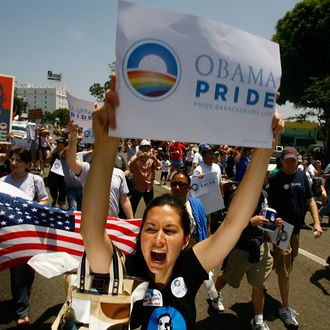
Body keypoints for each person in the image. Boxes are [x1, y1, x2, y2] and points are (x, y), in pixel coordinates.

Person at [80, 81, 284, 329]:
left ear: (186, 240)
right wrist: (106, 143)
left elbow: (234, 223)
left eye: (170, 230)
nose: (158, 239)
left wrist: (264, 147)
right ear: (140, 234)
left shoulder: (190, 266)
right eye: (151, 228)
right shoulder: (126, 268)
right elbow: (92, 232)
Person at [266, 146, 323, 328]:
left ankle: (264, 271)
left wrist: (317, 222)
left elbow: (311, 199)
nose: (292, 162)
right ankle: (284, 307)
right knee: (285, 270)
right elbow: (267, 205)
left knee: (287, 263)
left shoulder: (301, 176)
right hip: (282, 230)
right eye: (288, 160)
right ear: (281, 161)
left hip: (296, 230)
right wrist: (271, 227)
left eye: (294, 159)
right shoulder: (275, 179)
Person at [213, 190, 279, 330]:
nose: (266, 175)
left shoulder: (265, 194)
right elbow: (227, 221)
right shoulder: (238, 193)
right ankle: (214, 294)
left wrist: (273, 225)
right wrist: (250, 222)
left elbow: (265, 219)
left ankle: (258, 320)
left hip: (260, 245)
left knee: (259, 285)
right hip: (241, 246)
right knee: (226, 277)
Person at [0, 148, 49, 325]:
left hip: (31, 233)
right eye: (12, 160)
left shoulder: (36, 180)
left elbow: (44, 199)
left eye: (18, 160)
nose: (14, 163)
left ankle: (26, 289)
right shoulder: (3, 182)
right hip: (12, 235)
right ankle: (22, 312)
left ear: (28, 164)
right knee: (17, 271)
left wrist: (33, 207)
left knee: (29, 267)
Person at [170, 171, 221, 311]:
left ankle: (186, 310)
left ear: (189, 188)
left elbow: (205, 225)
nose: (177, 187)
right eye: (174, 184)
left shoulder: (196, 204)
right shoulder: (164, 206)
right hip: (172, 254)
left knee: (191, 285)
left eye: (181, 184)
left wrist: (208, 245)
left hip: (193, 252)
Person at [66, 121, 133, 218]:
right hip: (90, 223)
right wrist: (73, 138)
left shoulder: (119, 173)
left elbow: (124, 200)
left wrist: (131, 221)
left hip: (112, 223)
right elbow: (71, 162)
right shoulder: (87, 169)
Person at [128, 139, 161, 215]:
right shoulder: (136, 156)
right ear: (140, 148)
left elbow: (159, 167)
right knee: (133, 206)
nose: (146, 148)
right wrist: (138, 158)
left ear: (150, 148)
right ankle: (131, 221)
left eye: (147, 147)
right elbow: (130, 165)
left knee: (150, 207)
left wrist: (155, 159)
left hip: (149, 187)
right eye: (144, 147)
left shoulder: (152, 158)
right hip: (137, 187)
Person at [45, 137, 67, 208]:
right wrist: (52, 153)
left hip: (63, 176)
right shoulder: (53, 152)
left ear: (64, 144)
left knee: (62, 191)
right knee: (52, 190)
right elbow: (47, 161)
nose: (59, 145)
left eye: (60, 143)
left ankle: (61, 206)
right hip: (53, 175)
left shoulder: (67, 153)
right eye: (58, 143)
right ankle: (54, 198)